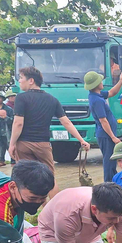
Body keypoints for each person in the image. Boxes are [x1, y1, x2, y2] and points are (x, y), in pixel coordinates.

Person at [10, 66, 89, 198]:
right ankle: (54, 208)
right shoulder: (52, 100)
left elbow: (18, 123)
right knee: (49, 177)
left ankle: (35, 207)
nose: (19, 81)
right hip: (43, 145)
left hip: (24, 144)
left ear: (31, 81)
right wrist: (82, 140)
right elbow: (66, 122)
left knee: (25, 178)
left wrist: (12, 144)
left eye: (21, 78)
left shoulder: (21, 98)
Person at [85, 70, 122, 182]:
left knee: (112, 161)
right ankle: (108, 185)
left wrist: (121, 81)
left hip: (106, 134)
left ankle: (113, 183)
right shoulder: (97, 100)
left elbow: (111, 93)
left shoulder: (97, 94)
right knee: (109, 162)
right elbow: (103, 120)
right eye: (100, 81)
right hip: (106, 135)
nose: (102, 82)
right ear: (96, 84)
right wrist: (113, 137)